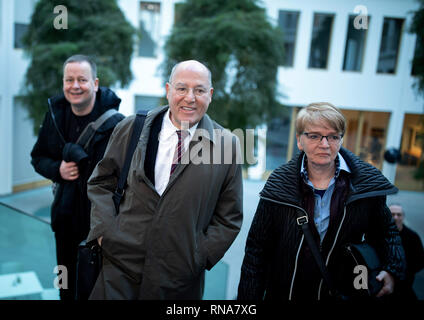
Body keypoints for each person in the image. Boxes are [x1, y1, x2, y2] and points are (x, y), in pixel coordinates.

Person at [85, 60, 243, 299]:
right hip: (119, 269)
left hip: (178, 281)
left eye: (199, 90)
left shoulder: (226, 145)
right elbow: (102, 182)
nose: (190, 97)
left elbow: (229, 217)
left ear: (210, 95)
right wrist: (106, 233)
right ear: (168, 90)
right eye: (181, 88)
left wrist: (199, 256)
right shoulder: (132, 127)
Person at [238, 102, 405, 300]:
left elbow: (387, 232)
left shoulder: (364, 184)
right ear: (300, 141)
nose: (324, 144)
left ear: (341, 140)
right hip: (287, 292)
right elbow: (257, 250)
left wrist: (392, 269)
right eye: (314, 136)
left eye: (333, 136)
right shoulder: (279, 184)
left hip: (341, 292)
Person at [31, 55, 125, 300]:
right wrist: (57, 170)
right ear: (63, 83)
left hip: (101, 227)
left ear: (95, 83)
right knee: (64, 284)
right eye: (69, 79)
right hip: (64, 222)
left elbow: (126, 176)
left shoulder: (117, 123)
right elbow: (38, 157)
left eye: (82, 79)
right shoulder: (54, 115)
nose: (75, 85)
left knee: (94, 289)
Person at [389, 204, 424, 300]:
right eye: (392, 214)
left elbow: (420, 261)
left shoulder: (413, 237)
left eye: (398, 214)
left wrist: (405, 270)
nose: (395, 217)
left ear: (403, 217)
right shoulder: (379, 235)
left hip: (405, 285)